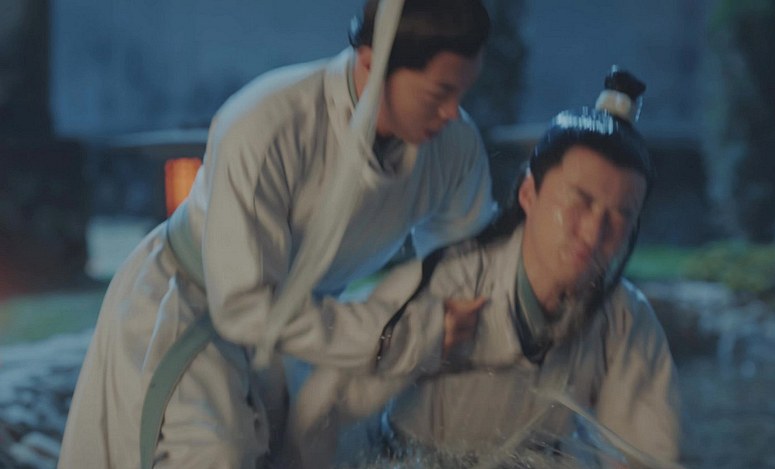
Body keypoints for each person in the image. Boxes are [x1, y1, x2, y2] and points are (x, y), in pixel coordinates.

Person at [58, 0, 495, 467]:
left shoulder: (453, 147)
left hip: (302, 325)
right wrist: (399, 335)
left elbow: (465, 265)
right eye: (439, 93)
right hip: (191, 301)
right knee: (216, 452)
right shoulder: (268, 125)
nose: (452, 112)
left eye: (463, 92)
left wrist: (442, 325)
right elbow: (243, 308)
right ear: (371, 61)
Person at [295, 68, 682, 468]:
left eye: (620, 216)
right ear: (529, 193)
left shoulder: (624, 320)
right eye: (579, 201)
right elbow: (326, 398)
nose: (594, 231)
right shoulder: (450, 283)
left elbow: (648, 456)